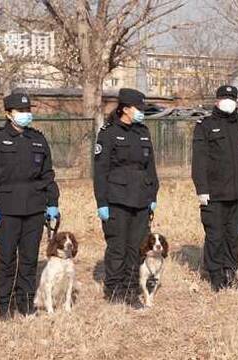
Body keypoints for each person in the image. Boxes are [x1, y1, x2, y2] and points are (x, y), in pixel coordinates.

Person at [0, 90, 60, 320]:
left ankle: (25, 304)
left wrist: (52, 202)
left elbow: (47, 175)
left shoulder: (38, 139)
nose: (26, 114)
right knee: (6, 259)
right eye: (20, 111)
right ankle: (4, 305)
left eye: (28, 110)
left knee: (30, 259)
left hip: (34, 209)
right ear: (8, 114)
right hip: (6, 211)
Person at [93, 88, 159, 304]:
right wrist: (102, 202)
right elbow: (100, 171)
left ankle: (132, 289)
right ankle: (114, 291)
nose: (141, 112)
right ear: (124, 109)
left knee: (137, 248)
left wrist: (153, 195)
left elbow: (150, 167)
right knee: (118, 248)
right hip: (117, 199)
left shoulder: (143, 132)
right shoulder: (108, 132)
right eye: (138, 108)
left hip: (141, 198)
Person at [191, 85, 238, 292]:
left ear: (237, 101)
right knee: (215, 235)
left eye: (232, 98)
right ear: (217, 101)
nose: (228, 102)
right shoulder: (205, 125)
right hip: (214, 193)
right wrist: (202, 189)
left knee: (233, 236)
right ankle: (215, 275)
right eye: (224, 98)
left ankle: (230, 271)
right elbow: (199, 161)